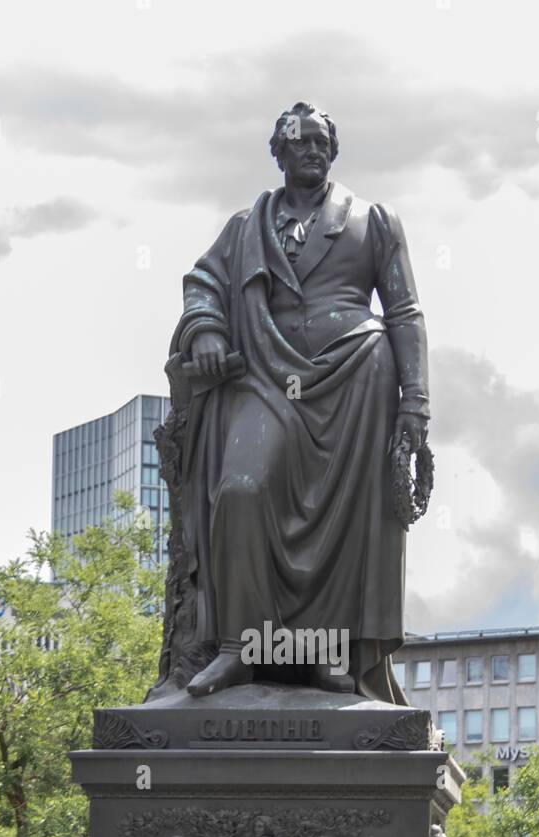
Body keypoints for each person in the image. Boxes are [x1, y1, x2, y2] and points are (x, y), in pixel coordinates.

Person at [155, 102, 430, 702]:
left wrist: (416, 402)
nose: (312, 149)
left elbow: (405, 311)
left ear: (334, 151)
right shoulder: (245, 226)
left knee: (343, 523)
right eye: (300, 141)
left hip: (355, 378)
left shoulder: (373, 220)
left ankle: (326, 656)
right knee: (240, 489)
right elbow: (204, 283)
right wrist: (206, 330)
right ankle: (240, 648)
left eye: (321, 141)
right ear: (278, 153)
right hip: (265, 379)